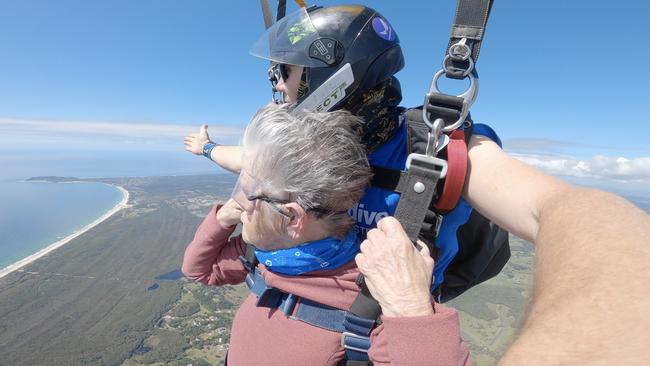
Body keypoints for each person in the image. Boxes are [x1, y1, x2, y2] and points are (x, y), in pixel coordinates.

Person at [184, 4, 650, 364]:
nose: (279, 88)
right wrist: (206, 149)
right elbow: (245, 161)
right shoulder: (305, 151)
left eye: (285, 72)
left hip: (378, 340)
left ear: (329, 78)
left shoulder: (436, 150)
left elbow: (571, 211)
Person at [182, 104, 472, 365]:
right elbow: (198, 270)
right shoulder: (265, 253)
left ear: (292, 217)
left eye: (247, 193)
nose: (239, 204)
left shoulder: (374, 302)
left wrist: (411, 308)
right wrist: (221, 218)